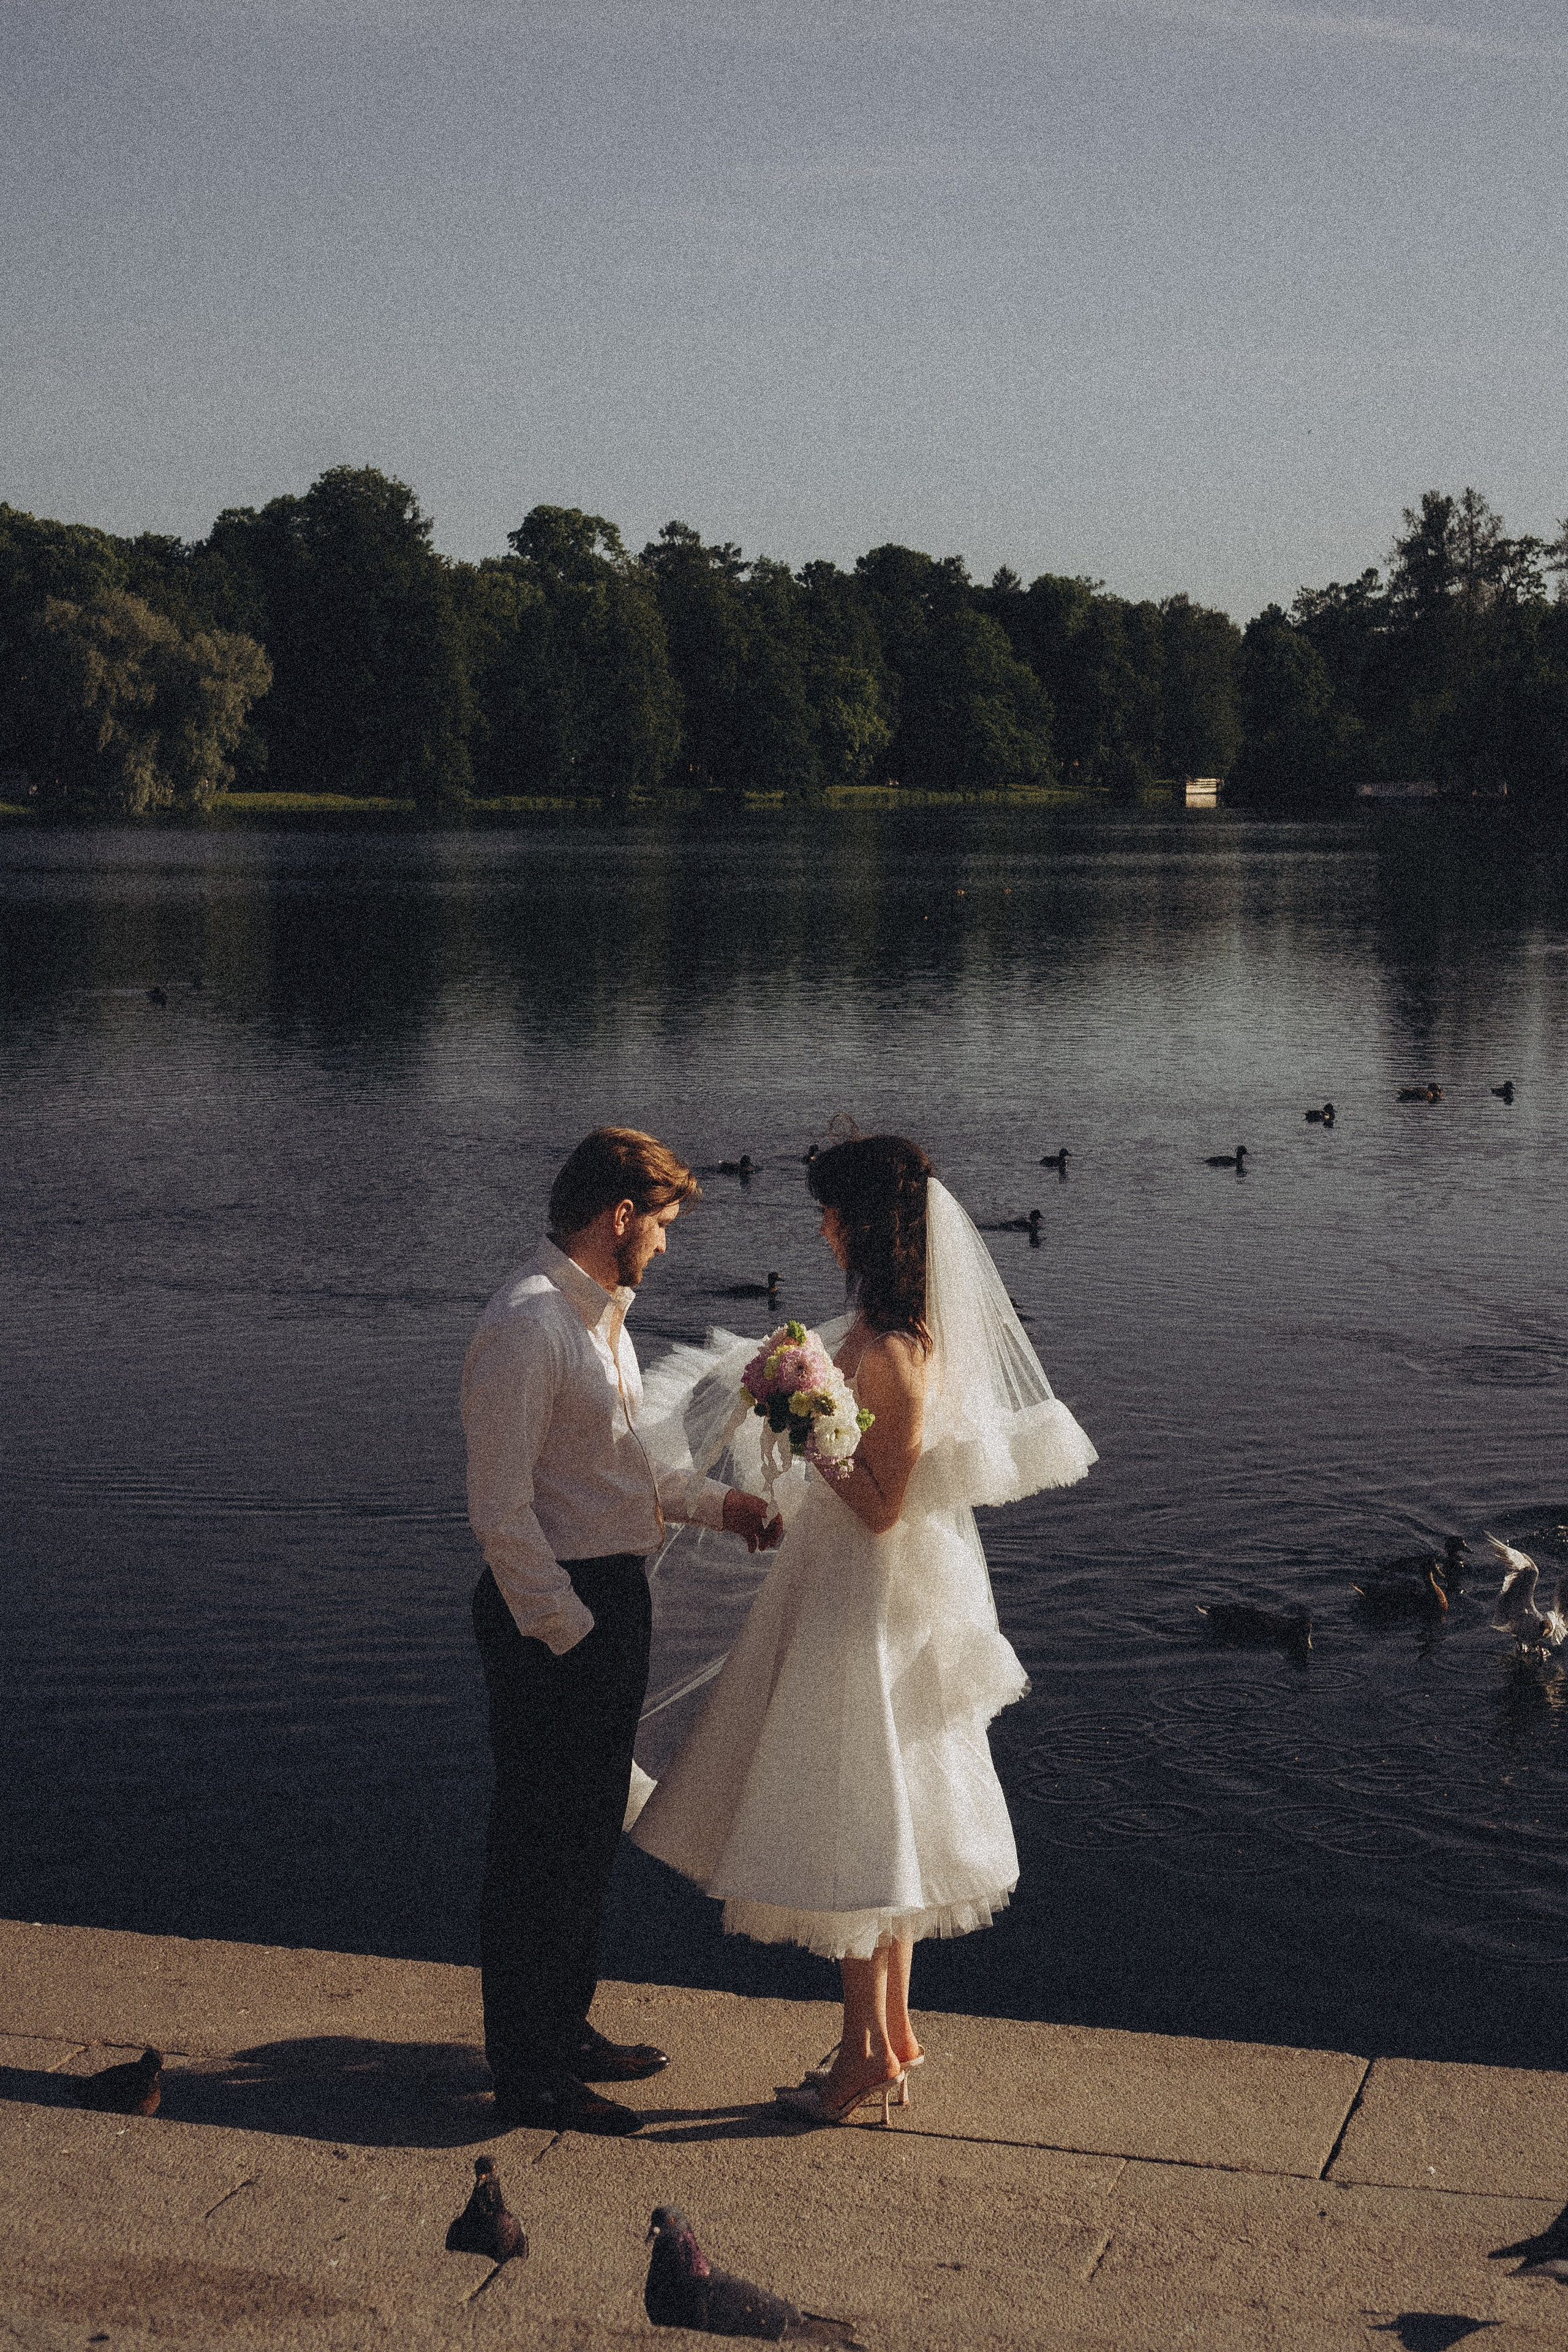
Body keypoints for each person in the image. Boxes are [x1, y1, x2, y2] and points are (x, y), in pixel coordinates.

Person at [631, 1134, 1096, 2124]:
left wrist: (806, 1423)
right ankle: (890, 2039)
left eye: (831, 1212)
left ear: (867, 1227)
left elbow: (882, 1505)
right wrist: (799, 1401)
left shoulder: (892, 1352)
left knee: (857, 1816)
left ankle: (860, 2053)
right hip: (844, 1581)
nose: (821, 1229)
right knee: (890, 1818)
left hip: (865, 1599)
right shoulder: (883, 1331)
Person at [462, 1126, 781, 2137]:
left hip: (603, 1598)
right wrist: (570, 1630)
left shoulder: (600, 1322)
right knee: (539, 1844)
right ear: (620, 1216)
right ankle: (529, 2073)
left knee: (586, 1834)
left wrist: (724, 1508)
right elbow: (501, 1511)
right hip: (553, 1613)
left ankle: (563, 2030)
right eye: (663, 1225)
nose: (667, 1244)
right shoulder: (528, 1324)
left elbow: (622, 1473)